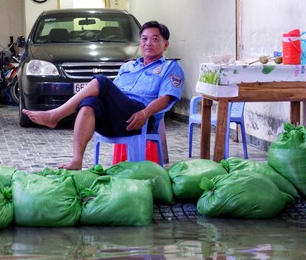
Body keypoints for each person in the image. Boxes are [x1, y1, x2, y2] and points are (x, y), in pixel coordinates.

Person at [22, 20, 185, 169]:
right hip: (117, 118)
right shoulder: (128, 66)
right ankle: (77, 160)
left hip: (139, 117)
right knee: (90, 103)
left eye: (155, 39)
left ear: (165, 44)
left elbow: (167, 97)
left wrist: (145, 113)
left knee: (101, 81)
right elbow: (112, 95)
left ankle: (55, 115)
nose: (148, 43)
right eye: (144, 39)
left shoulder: (170, 67)